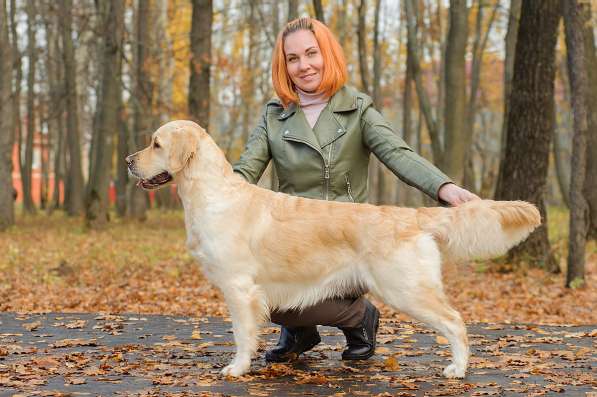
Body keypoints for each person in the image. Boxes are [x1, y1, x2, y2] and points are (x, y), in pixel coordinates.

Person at [232, 17, 479, 363]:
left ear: (327, 54)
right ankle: (300, 330)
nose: (303, 66)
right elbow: (243, 172)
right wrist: (212, 191)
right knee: (252, 286)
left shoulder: (358, 107)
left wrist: (445, 188)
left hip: (348, 243)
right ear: (283, 65)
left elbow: (398, 154)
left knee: (297, 293)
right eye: (292, 58)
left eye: (311, 53)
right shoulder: (274, 116)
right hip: (292, 242)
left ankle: (359, 318)